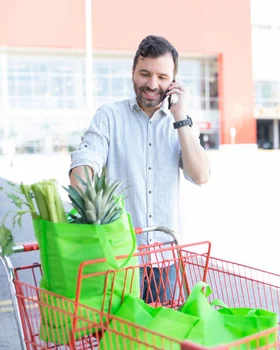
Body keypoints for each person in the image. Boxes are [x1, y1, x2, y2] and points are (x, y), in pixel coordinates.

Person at [68, 35, 210, 304]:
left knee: (158, 342)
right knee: (116, 340)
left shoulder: (180, 125)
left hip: (164, 262)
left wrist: (181, 116)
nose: (152, 84)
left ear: (173, 82)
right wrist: (83, 186)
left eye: (162, 77)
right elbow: (87, 160)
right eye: (145, 73)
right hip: (119, 260)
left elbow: (201, 175)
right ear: (133, 72)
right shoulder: (109, 116)